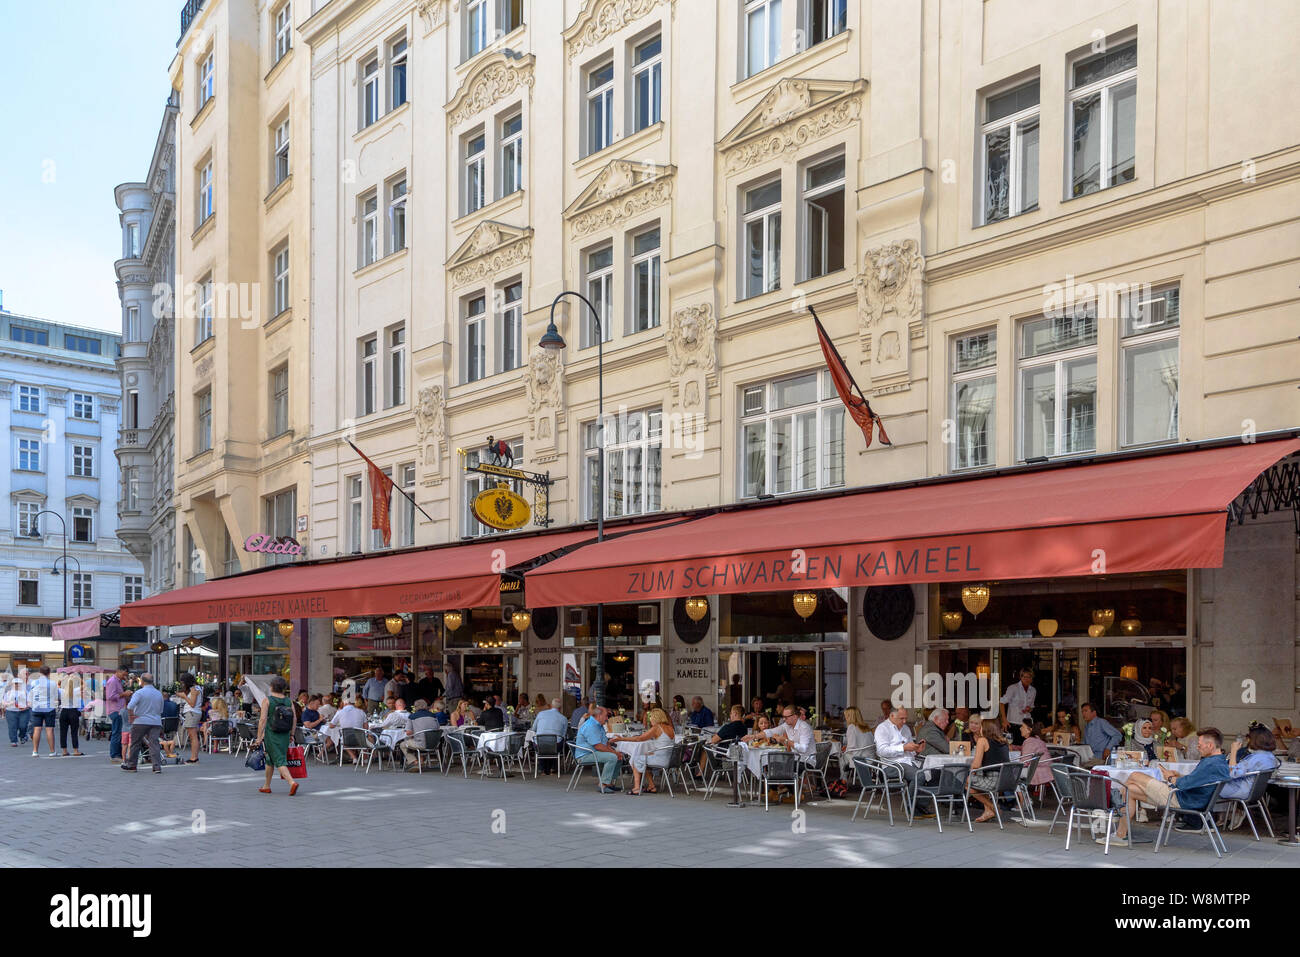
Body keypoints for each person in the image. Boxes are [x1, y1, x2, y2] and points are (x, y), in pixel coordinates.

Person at [1112, 728, 1231, 843]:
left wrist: (1170, 777)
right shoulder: (1219, 762)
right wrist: (1179, 775)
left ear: (1210, 745)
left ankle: (1116, 806)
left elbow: (1183, 785)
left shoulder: (1211, 764)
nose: (1197, 747)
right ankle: (1121, 835)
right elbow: (1198, 781)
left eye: (1199, 745)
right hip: (1188, 798)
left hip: (1181, 799)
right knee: (1130, 790)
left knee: (1135, 775)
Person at [611, 707, 675, 794]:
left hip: (661, 760)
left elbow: (639, 739)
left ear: (656, 717)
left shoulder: (657, 728)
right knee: (644, 756)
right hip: (668, 759)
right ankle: (651, 786)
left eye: (651, 717)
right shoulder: (670, 728)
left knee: (635, 758)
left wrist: (622, 738)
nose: (650, 719)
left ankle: (637, 788)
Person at [254, 675, 300, 795]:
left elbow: (262, 720)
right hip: (284, 734)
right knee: (270, 759)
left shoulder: (267, 700)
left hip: (272, 734)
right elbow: (294, 719)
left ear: (271, 687)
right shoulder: (289, 701)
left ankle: (292, 783)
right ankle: (266, 785)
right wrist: (292, 734)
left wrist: (259, 737)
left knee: (279, 760)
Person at [575, 705, 627, 793]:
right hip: (585, 755)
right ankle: (602, 784)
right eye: (606, 716)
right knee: (612, 757)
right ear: (599, 716)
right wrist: (614, 753)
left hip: (594, 752)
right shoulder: (591, 726)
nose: (607, 718)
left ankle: (609, 783)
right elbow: (598, 746)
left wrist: (616, 752)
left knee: (618, 756)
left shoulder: (599, 725)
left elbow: (605, 742)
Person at [1221, 725, 1279, 802]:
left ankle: (1206, 813)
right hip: (1255, 792)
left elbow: (1233, 773)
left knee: (1208, 787)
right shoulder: (1271, 757)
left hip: (1240, 790)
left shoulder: (1256, 758)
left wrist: (1233, 751)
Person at [969, 719, 1011, 823]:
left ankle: (992, 807)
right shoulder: (1004, 741)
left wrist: (970, 771)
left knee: (966, 781)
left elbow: (976, 765)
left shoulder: (982, 740)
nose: (979, 729)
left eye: (981, 727)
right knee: (977, 779)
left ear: (985, 728)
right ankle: (988, 811)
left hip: (993, 781)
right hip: (1006, 780)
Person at [121, 673, 165, 774]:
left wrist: (132, 716)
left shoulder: (139, 693)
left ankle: (132, 765)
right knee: (154, 744)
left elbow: (130, 706)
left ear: (142, 681)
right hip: (155, 721)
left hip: (140, 721)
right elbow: (161, 710)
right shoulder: (159, 693)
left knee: (135, 743)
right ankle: (156, 767)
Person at [399, 699, 442, 771]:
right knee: (414, 741)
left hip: (421, 744)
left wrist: (416, 732)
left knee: (403, 744)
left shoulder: (412, 716)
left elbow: (408, 732)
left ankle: (415, 762)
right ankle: (420, 760)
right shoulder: (433, 716)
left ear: (415, 707)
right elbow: (437, 728)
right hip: (435, 744)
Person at [27, 665, 60, 757]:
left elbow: (31, 694)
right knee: (49, 730)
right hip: (49, 708)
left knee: (37, 729)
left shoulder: (34, 682)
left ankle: (35, 751)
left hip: (36, 708)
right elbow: (56, 695)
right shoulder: (52, 683)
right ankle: (52, 751)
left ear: (39, 673)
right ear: (49, 673)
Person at [325, 696, 368, 761]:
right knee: (365, 738)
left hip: (347, 739)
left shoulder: (340, 712)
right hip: (360, 739)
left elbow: (331, 726)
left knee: (344, 742)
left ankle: (354, 758)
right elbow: (366, 727)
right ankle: (364, 759)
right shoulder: (361, 712)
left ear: (345, 702)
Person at [1018, 719, 1055, 795]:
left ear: (1029, 730)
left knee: (1011, 773)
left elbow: (1024, 762)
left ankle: (1023, 800)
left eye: (1022, 726)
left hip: (1036, 770)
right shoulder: (1038, 740)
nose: (1020, 728)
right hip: (1047, 769)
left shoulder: (1029, 741)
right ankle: (1024, 800)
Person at [999, 669, 1036, 743]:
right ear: (1020, 677)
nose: (1027, 679)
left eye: (1029, 677)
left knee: (1026, 746)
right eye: (1025, 677)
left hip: (1027, 725)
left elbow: (1032, 707)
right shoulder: (1013, 688)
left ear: (1032, 678)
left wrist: (1029, 709)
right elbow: (1002, 703)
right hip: (1013, 723)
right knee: (1012, 747)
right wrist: (1004, 720)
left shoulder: (1033, 690)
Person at [1081, 702, 1123, 766]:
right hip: (1091, 757)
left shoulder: (1101, 722)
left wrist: (1108, 748)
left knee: (1080, 768)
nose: (1083, 713)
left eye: (1086, 711)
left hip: (1101, 758)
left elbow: (1117, 735)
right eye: (1082, 711)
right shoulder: (1087, 726)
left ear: (1094, 712)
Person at [104, 666, 129, 762]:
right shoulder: (113, 681)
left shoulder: (118, 681)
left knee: (119, 732)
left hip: (119, 709)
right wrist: (124, 694)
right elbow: (110, 696)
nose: (125, 677)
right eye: (124, 674)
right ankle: (114, 755)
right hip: (115, 710)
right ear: (119, 671)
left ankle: (118, 754)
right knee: (117, 732)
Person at [58, 674, 88, 757]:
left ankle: (64, 750)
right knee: (74, 732)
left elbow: (58, 684)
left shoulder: (62, 691)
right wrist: (78, 678)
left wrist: (63, 678)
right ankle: (75, 750)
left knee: (63, 732)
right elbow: (85, 684)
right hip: (73, 712)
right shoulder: (76, 690)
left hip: (64, 712)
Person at [179, 673, 203, 763]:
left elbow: (192, 703)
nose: (182, 684)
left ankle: (194, 757)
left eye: (183, 682)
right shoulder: (198, 688)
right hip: (194, 713)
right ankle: (194, 756)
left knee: (193, 736)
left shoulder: (193, 689)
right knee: (193, 736)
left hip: (192, 713)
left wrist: (184, 696)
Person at [3, 675, 31, 748]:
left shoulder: (25, 692)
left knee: (23, 726)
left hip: (23, 711)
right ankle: (13, 741)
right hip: (11, 711)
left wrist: (26, 706)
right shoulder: (8, 693)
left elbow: (29, 702)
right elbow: (3, 702)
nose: (16, 685)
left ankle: (22, 736)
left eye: (18, 683)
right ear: (12, 684)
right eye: (15, 683)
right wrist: (7, 704)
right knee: (12, 726)